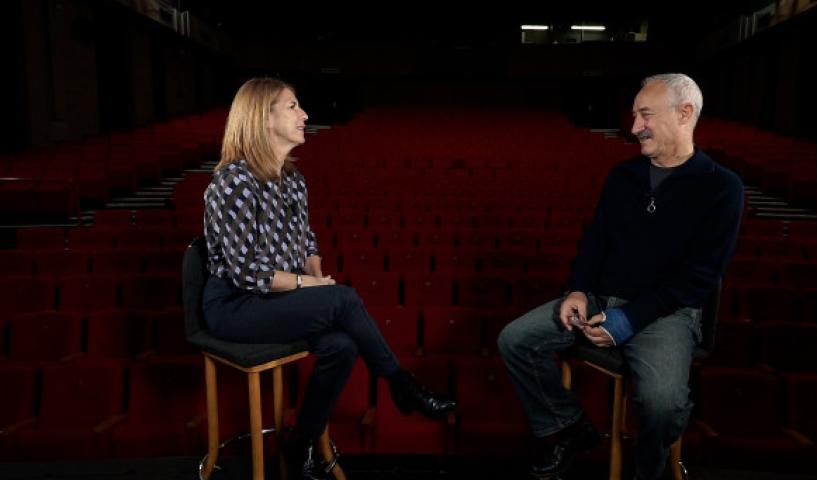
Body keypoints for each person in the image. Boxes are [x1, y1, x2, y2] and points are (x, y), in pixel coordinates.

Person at [202, 77, 456, 479]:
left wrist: (313, 266)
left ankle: (300, 443)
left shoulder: (292, 180)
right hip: (235, 304)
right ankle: (403, 387)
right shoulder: (233, 181)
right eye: (293, 106)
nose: (305, 115)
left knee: (341, 346)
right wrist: (312, 287)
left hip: (274, 299)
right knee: (343, 299)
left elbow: (306, 241)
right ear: (261, 118)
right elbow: (248, 273)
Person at [498, 73, 743, 480]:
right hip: (599, 298)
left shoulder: (723, 187)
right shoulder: (623, 177)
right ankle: (571, 428)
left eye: (645, 115)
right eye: (634, 116)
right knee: (515, 340)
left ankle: (647, 471)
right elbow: (595, 241)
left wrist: (630, 319)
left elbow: (701, 276)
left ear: (685, 114)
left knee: (662, 405)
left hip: (666, 313)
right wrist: (577, 289)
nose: (634, 127)